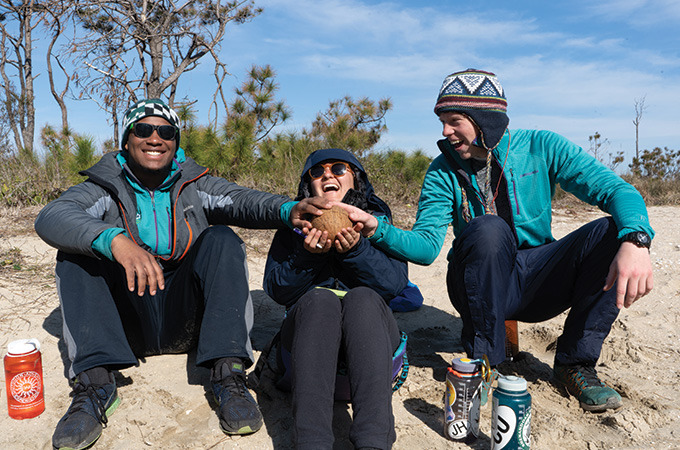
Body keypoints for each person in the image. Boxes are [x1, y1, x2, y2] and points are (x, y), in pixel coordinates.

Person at [341, 69, 654, 413]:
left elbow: (616, 190)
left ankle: (575, 365)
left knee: (612, 232)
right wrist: (375, 228)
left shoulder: (541, 146)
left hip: (538, 279)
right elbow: (426, 247)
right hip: (477, 285)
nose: (446, 132)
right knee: (487, 228)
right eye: (443, 122)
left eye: (454, 120)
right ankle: (483, 363)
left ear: (484, 119)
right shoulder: (441, 170)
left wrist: (636, 241)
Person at [34, 98, 324, 450]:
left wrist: (289, 208)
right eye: (144, 129)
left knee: (222, 240)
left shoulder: (193, 183)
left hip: (186, 319)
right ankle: (95, 384)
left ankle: (227, 372)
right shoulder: (103, 186)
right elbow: (53, 216)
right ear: (127, 140)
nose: (155, 138)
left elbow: (242, 200)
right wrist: (114, 241)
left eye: (166, 131)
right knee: (76, 252)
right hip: (128, 321)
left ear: (175, 141)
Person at [262, 148, 409, 450]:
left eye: (339, 168)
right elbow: (276, 289)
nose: (327, 174)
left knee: (364, 299)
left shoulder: (376, 224)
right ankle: (312, 442)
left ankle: (373, 442)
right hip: (305, 357)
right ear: (309, 187)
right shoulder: (293, 226)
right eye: (318, 172)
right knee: (320, 301)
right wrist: (306, 257)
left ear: (355, 179)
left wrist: (357, 252)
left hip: (373, 356)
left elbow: (395, 285)